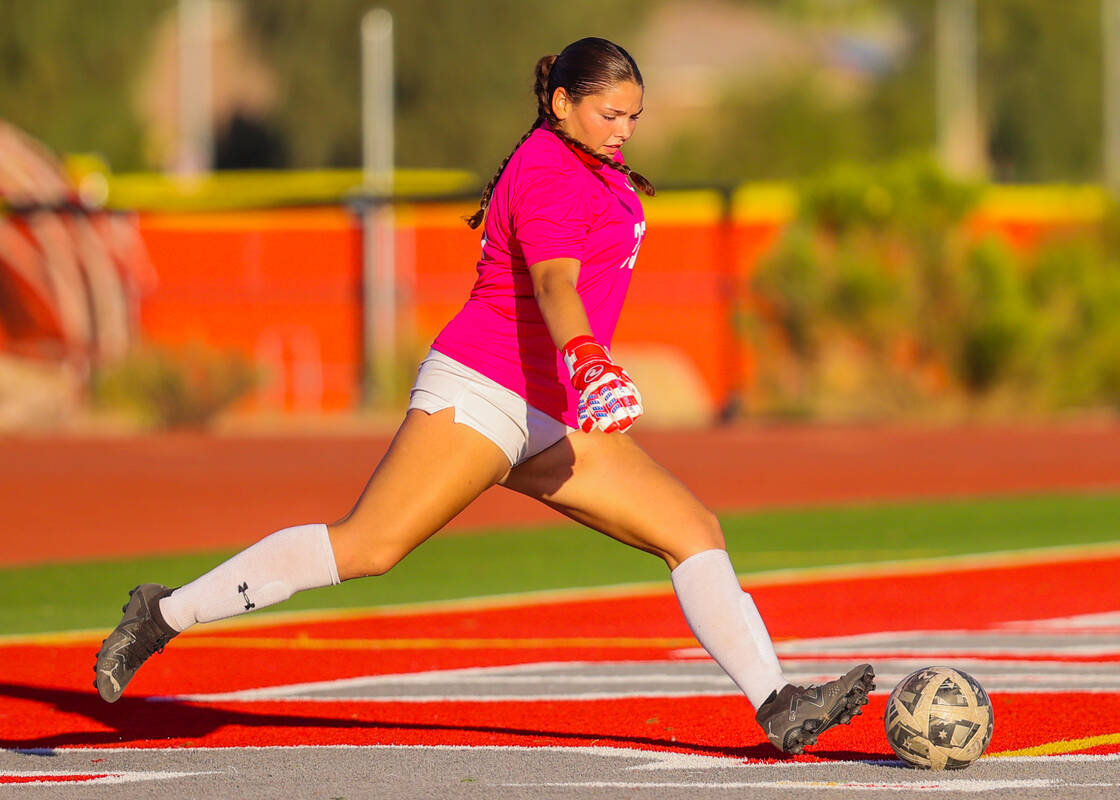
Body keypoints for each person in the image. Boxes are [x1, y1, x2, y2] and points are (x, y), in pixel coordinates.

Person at [93, 36, 873, 755]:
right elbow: (553, 280)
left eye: (634, 116)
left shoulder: (592, 163)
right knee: (369, 546)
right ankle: (161, 615)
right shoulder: (548, 169)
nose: (624, 129)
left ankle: (778, 703)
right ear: (561, 101)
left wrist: (579, 373)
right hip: (485, 389)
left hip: (551, 407)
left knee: (693, 530)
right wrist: (589, 357)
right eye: (610, 113)